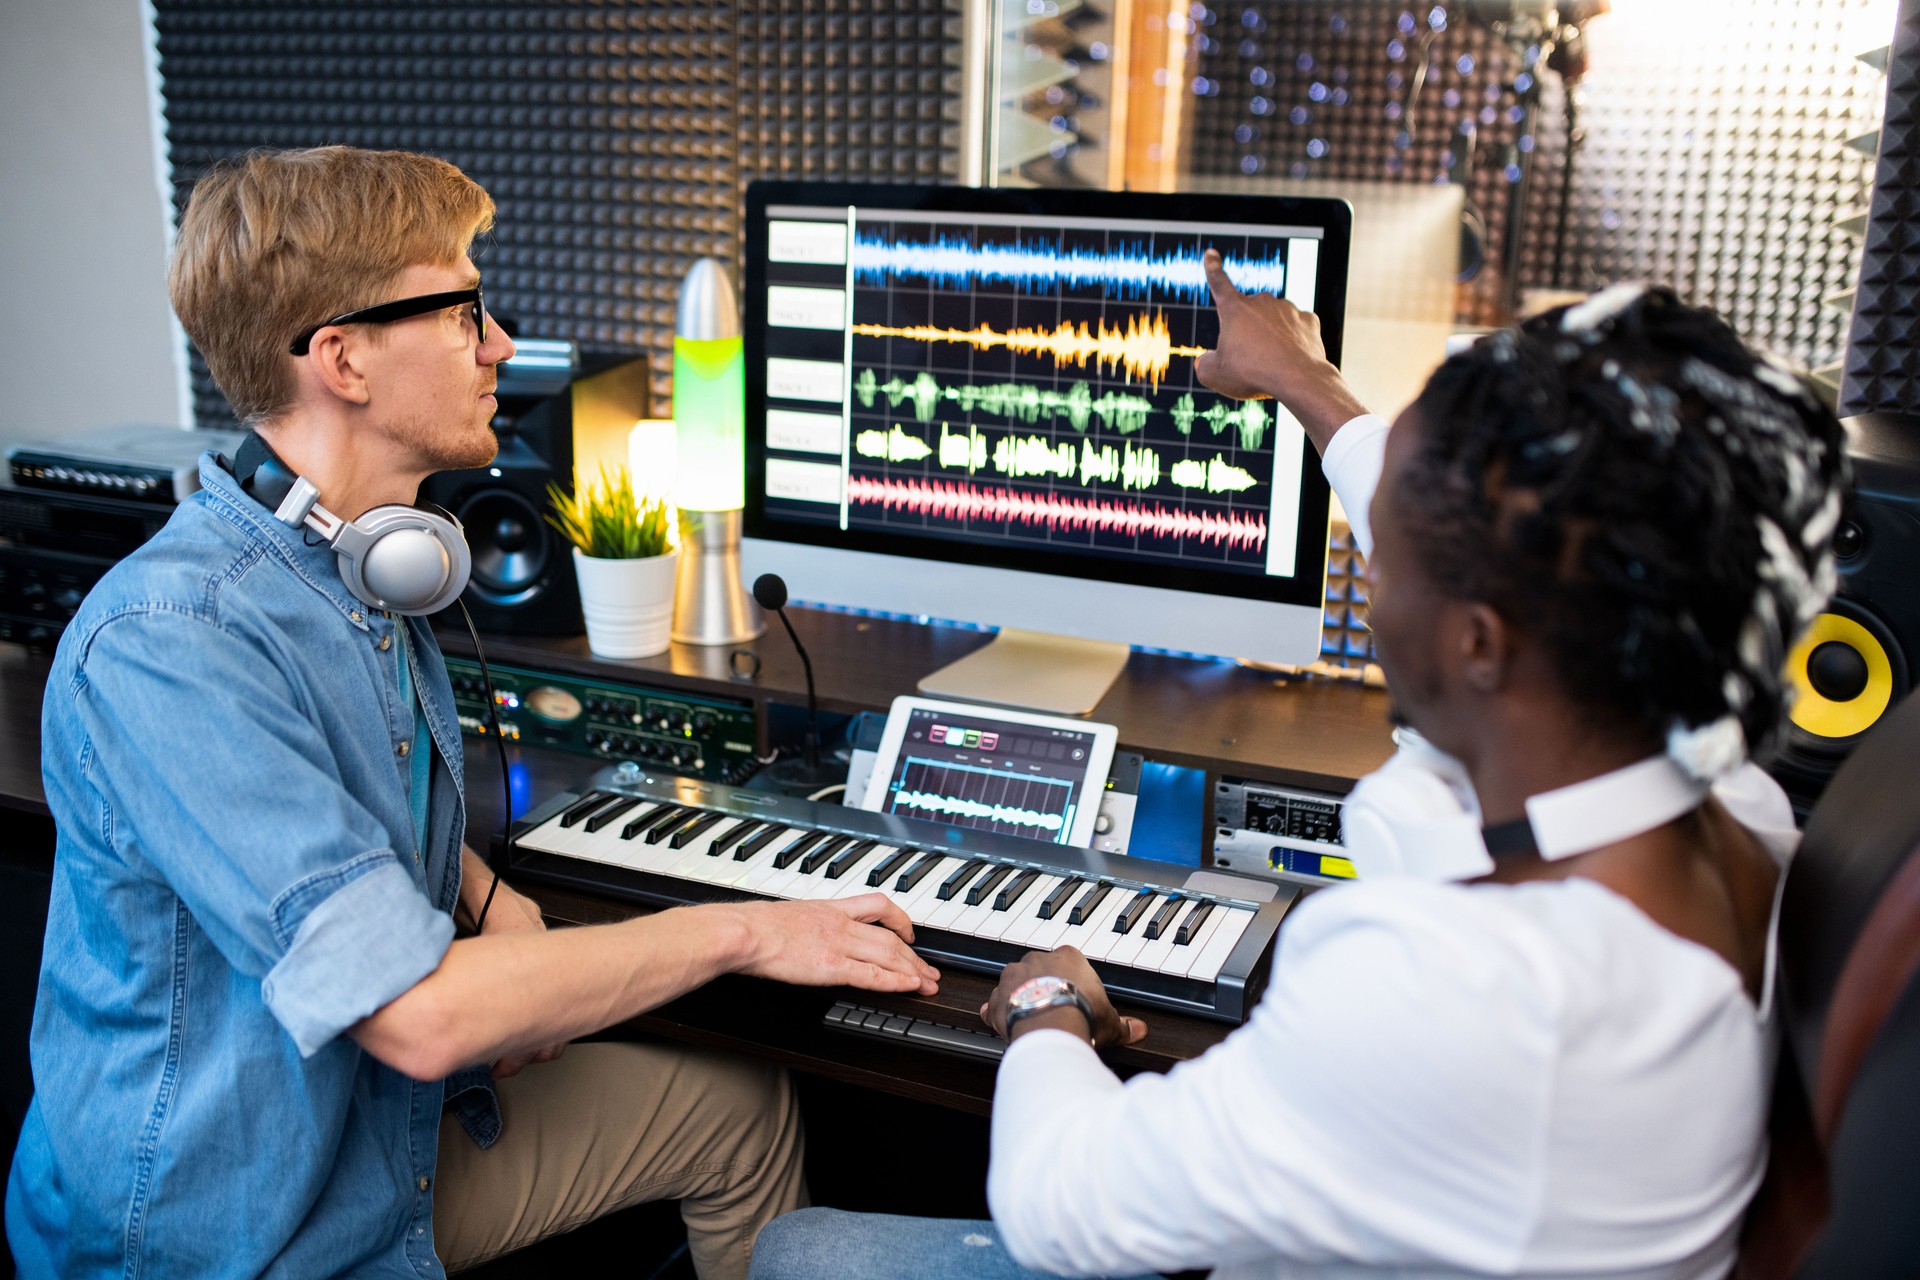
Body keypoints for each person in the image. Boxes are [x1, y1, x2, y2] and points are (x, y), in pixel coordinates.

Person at [749, 265, 1846, 1279]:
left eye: (1394, 556)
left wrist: (1045, 1004)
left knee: (802, 1250)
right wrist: (1306, 384)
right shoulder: (1728, 802)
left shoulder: (1453, 990)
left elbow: (1056, 1199)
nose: (1368, 596)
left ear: (1480, 641)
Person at [5, 146, 941, 1280]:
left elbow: (344, 798)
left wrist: (489, 894)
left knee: (734, 1106)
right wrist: (747, 928)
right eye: (462, 310)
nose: (500, 344)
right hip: (224, 1233)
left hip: (376, 1133)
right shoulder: (171, 645)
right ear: (342, 358)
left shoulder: (362, 567)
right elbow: (421, 1016)